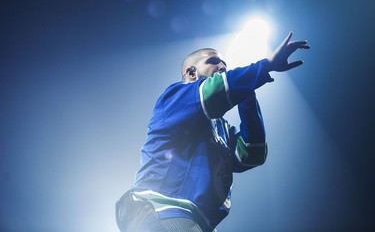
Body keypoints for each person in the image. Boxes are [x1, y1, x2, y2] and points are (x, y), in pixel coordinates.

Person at [116, 32, 310, 232]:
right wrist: (265, 66)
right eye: (214, 61)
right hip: (163, 208)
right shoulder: (175, 98)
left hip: (196, 221)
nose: (223, 67)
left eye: (225, 64)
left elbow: (253, 154)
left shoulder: (223, 129)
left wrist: (247, 93)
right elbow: (214, 92)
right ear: (192, 73)